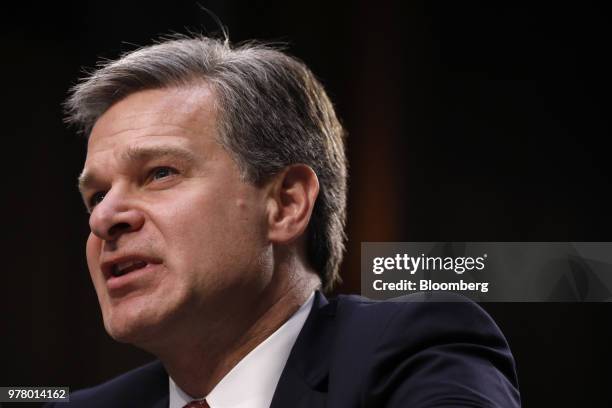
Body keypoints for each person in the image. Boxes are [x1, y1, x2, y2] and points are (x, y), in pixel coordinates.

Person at [52, 34, 520, 407]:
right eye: (96, 196)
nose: (105, 218)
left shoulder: (413, 352)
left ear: (286, 205)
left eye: (159, 173)